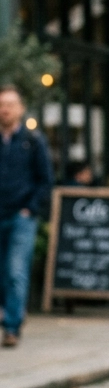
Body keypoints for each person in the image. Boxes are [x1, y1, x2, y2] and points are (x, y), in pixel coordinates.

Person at [0, 85, 53, 348]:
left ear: (20, 109)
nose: (5, 110)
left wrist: (30, 208)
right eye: (1, 105)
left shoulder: (33, 141)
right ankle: (13, 313)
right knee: (3, 272)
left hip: (21, 217)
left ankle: (12, 327)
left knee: (15, 270)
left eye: (10, 104)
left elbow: (46, 180)